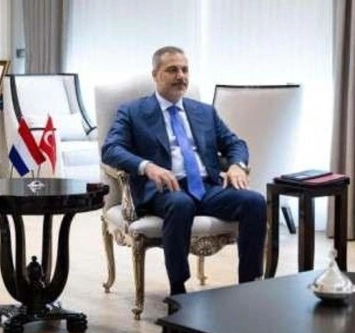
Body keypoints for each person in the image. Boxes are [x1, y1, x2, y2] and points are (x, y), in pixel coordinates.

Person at [102, 46, 267, 296]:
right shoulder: (133, 111)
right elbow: (111, 149)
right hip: (164, 190)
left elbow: (235, 143)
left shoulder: (204, 111)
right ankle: (178, 291)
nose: (181, 76)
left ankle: (250, 286)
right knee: (181, 204)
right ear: (155, 75)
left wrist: (237, 165)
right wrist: (147, 167)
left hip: (207, 187)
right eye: (172, 70)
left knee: (254, 201)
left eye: (185, 70)